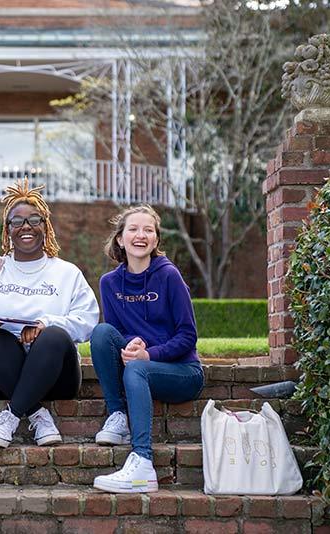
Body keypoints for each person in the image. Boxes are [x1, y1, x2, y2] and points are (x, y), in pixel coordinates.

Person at [0, 179, 99, 448]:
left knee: (54, 336)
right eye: (16, 221)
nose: (26, 226)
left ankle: (11, 415)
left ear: (46, 226)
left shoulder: (67, 272)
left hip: (58, 376)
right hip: (2, 371)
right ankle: (36, 414)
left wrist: (45, 324)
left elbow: (87, 322)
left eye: (34, 219)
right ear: (7, 230)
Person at [90, 205, 204, 493]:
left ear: (155, 239)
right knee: (102, 332)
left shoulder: (169, 276)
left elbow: (188, 335)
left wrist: (149, 353)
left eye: (148, 230)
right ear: (120, 238)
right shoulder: (110, 283)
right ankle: (117, 416)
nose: (140, 235)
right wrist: (133, 343)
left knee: (138, 367)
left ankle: (142, 462)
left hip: (183, 372)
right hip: (141, 365)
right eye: (133, 229)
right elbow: (117, 331)